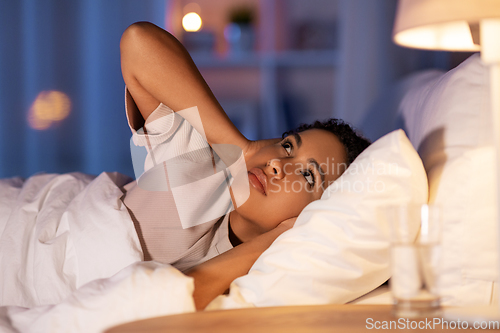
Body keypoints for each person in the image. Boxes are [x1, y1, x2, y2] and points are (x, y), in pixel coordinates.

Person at [119, 21, 370, 310]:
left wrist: (275, 239)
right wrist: (243, 148)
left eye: (307, 175)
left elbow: (165, 304)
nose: (276, 164)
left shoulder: (273, 279)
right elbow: (138, 42)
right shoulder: (200, 169)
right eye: (288, 146)